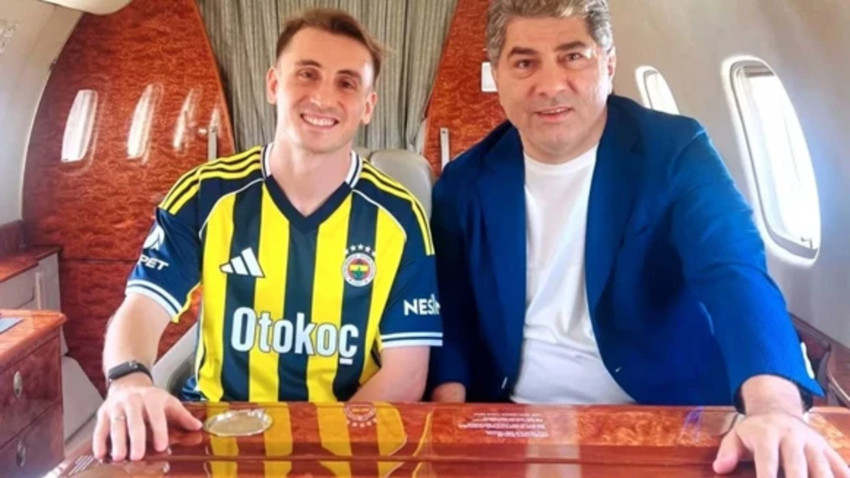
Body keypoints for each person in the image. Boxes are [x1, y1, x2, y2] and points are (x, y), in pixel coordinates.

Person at [427, 1, 848, 476]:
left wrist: (773, 407)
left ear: (608, 64)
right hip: (515, 420)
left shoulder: (675, 152)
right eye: (525, 63)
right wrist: (449, 423)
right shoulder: (464, 182)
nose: (550, 85)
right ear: (498, 74)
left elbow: (732, 271)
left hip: (665, 415)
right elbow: (452, 314)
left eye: (573, 57)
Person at [93, 8, 442, 462]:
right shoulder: (204, 195)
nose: (323, 97)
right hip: (220, 435)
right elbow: (141, 307)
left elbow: (406, 373)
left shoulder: (400, 217)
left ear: (368, 106)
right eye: (307, 74)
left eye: (346, 83)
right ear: (274, 84)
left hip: (346, 442)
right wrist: (129, 381)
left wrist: (324, 453)